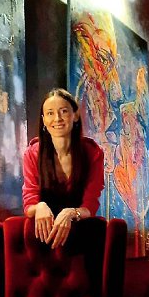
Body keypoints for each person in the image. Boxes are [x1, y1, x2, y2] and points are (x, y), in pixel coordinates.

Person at [22, 88, 104, 249]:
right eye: (50, 113)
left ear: (75, 115)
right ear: (44, 120)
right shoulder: (32, 153)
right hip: (43, 231)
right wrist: (40, 206)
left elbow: (91, 204)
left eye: (64, 111)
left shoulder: (92, 152)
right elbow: (29, 202)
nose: (57, 118)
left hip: (80, 229)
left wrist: (71, 213)